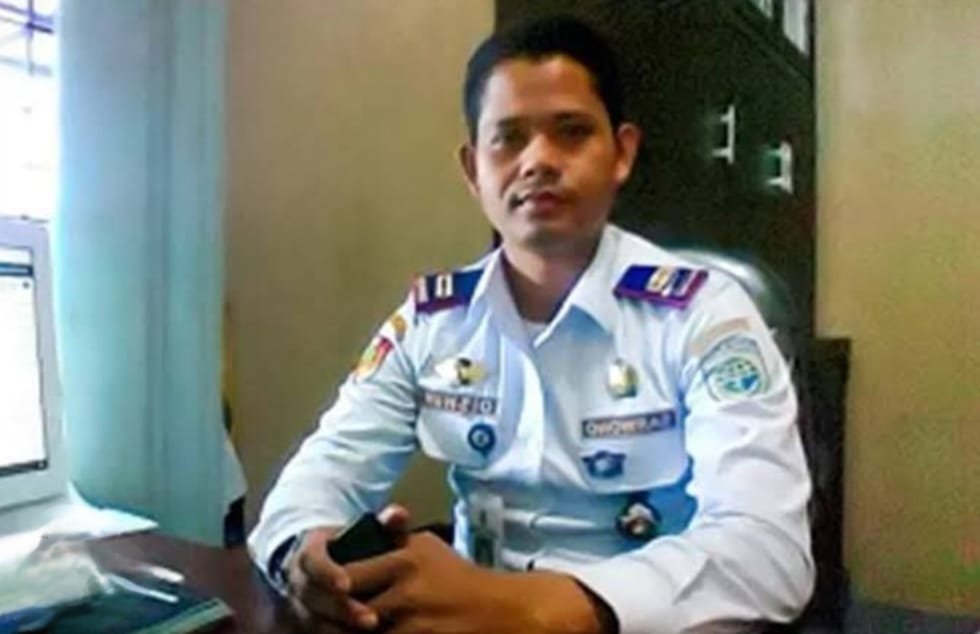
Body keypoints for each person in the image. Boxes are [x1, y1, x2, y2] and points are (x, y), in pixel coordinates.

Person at [249, 16, 814, 634]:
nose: (538, 160)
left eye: (572, 132)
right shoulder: (435, 321)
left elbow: (768, 554)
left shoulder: (703, 313)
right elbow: (315, 480)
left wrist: (538, 608)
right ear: (474, 170)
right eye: (509, 139)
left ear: (622, 153)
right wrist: (306, 558)